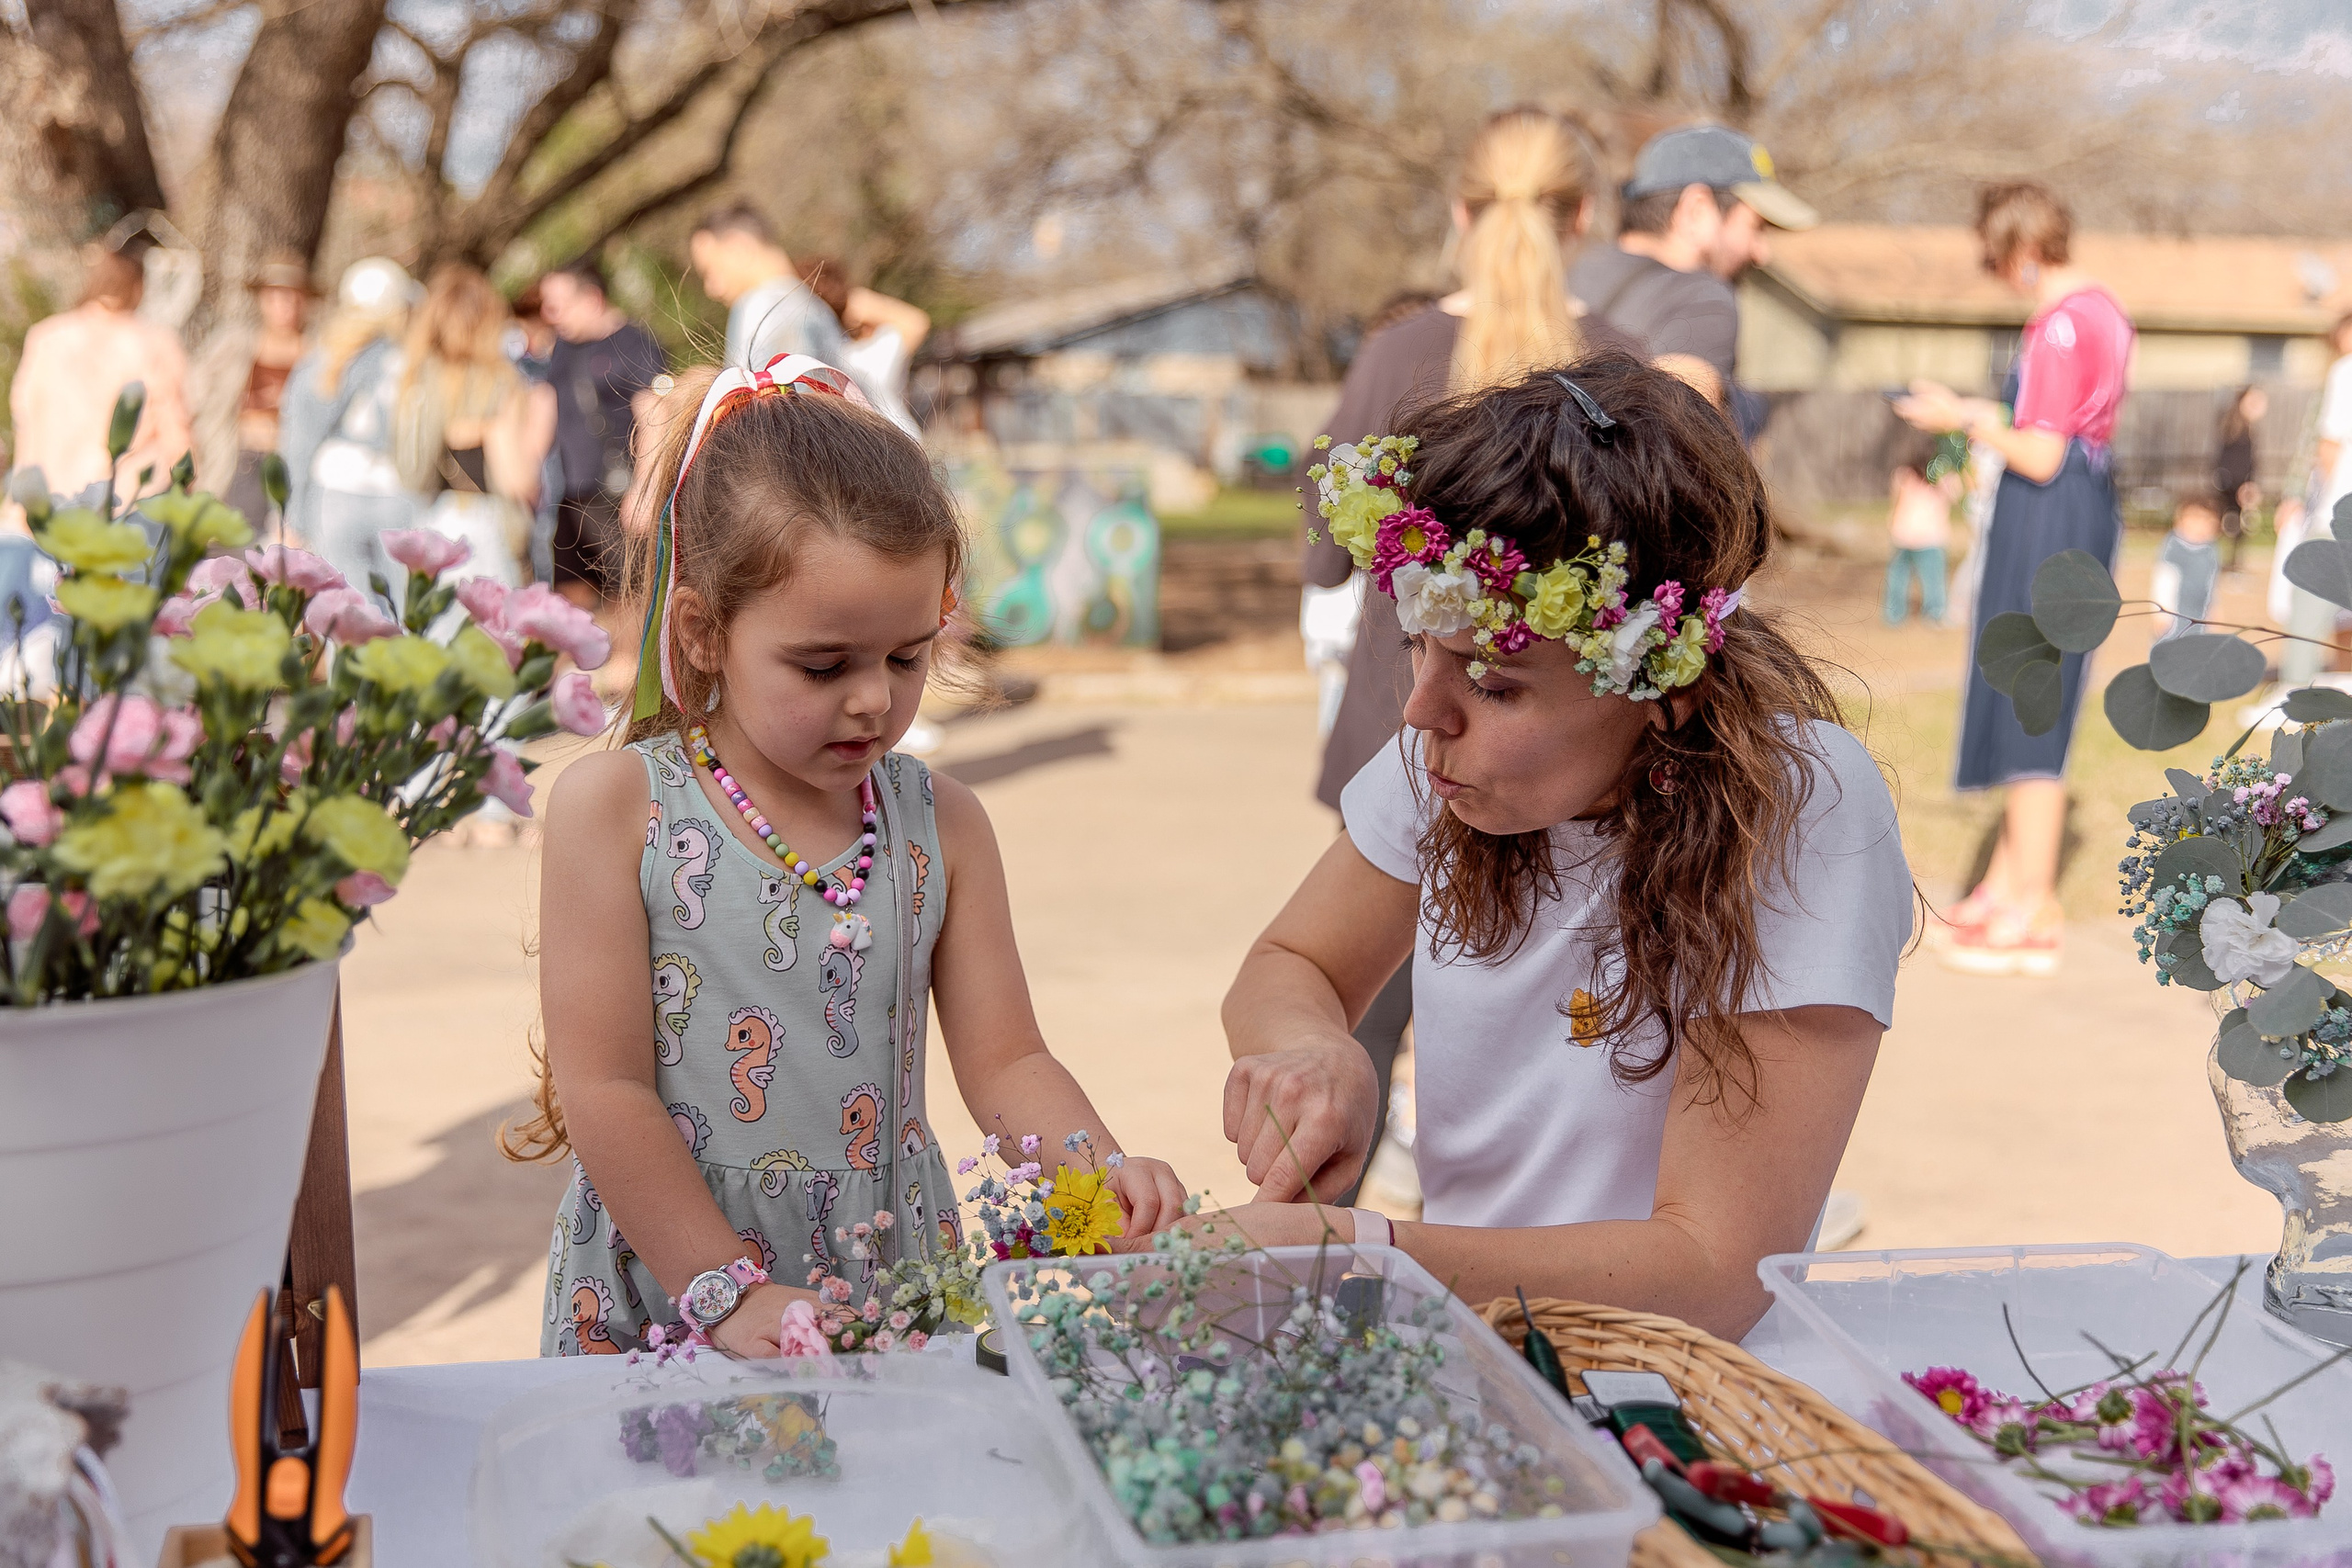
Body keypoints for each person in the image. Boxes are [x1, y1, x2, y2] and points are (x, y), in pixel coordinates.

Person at [1210, 359, 1910, 1339]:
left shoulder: (1798, 808)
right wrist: (1320, 1055)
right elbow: (1293, 963)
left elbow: (1712, 1272)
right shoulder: (1447, 762)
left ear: (1666, 685)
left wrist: (1360, 1258)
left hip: (1667, 1377)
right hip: (1483, 1334)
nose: (1420, 712)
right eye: (1417, 646)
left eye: (1495, 684)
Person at [503, 352, 1185, 1356]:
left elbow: (1007, 1060)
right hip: (677, 1279)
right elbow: (606, 1090)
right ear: (700, 631)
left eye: (908, 657)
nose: (874, 698)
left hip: (885, 1271)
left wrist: (1096, 1171)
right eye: (824, 665)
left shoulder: (941, 825)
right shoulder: (616, 810)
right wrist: (725, 1294)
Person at [1299, 108, 1641, 1205]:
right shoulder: (1625, 373)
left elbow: (1321, 558)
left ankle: (1314, 1262)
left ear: (1458, 210)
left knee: (1361, 1009)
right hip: (1572, 755)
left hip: (1396, 721)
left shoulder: (1398, 352)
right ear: (1583, 216)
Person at [1896, 181, 2133, 976]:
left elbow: (2040, 451)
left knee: (2032, 691)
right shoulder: (2105, 311)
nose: (1995, 271)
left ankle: (2032, 908)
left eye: (1996, 256)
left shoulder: (2060, 326)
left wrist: (1961, 417)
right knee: (2026, 683)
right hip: (2080, 508)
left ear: (2022, 249)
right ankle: (2007, 883)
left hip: (2048, 512)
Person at [1569, 124, 1817, 389]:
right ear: (1696, 210)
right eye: (1755, 227)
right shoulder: (1705, 299)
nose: (1761, 253)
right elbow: (1673, 423)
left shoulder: (1567, 272)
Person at [7, 244, 192, 516]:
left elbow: (24, 415)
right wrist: (189, 491)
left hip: (52, 497)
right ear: (138, 286)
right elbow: (176, 426)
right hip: (128, 501)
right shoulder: (156, 344)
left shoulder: (47, 337)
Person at [390, 264, 540, 587]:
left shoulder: (416, 379)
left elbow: (410, 474)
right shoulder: (502, 383)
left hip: (432, 523)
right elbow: (518, 479)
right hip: (488, 529)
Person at [277, 257, 420, 591]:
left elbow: (299, 441)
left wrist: (292, 514)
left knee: (345, 616)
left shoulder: (324, 360)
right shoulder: (412, 360)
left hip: (337, 492)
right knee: (401, 617)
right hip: (397, 494)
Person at [539, 259, 666, 606]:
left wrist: (646, 488)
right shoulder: (563, 347)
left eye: (558, 305)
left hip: (618, 496)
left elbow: (655, 416)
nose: (550, 314)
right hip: (572, 498)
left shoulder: (634, 343)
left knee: (634, 594)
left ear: (592, 298)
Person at [189, 251, 316, 534]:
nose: (285, 306)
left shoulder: (317, 352)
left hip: (293, 464)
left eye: (293, 296)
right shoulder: (236, 344)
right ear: (262, 300)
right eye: (276, 296)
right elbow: (196, 390)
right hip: (242, 460)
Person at [689, 204, 849, 371]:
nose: (712, 290)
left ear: (738, 248)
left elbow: (774, 396)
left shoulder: (759, 308)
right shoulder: (813, 304)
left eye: (711, 272)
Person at [796, 256, 931, 437]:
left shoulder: (801, 364)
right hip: (899, 447)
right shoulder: (865, 356)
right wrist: (859, 299)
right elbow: (915, 323)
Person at [1883, 434, 1959, 626]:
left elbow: (1895, 501)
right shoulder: (1945, 477)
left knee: (1898, 579)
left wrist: (1891, 523)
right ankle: (1934, 614)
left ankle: (1894, 615)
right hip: (1930, 537)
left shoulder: (1903, 474)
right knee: (1933, 580)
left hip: (1903, 533)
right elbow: (1957, 498)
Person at [2151, 493, 2222, 642]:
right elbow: (2164, 581)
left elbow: (2212, 584)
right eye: (2198, 520)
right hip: (2175, 615)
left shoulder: (2211, 551)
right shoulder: (2173, 547)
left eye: (2209, 520)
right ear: (2181, 522)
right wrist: (2161, 613)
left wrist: (2213, 609)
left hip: (2199, 614)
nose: (2204, 525)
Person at [2213, 384, 2266, 574]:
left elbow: (2251, 463)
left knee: (2240, 527)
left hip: (2242, 485)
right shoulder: (2233, 426)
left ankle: (2233, 562)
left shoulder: (2249, 428)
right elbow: (2230, 461)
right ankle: (2215, 559)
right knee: (2226, 523)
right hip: (2232, 485)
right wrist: (2240, 486)